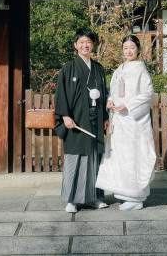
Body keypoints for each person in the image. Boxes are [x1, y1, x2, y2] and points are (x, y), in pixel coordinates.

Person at [95, 35, 157, 210]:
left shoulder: (140, 70)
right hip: (119, 121)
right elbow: (112, 91)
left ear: (138, 49)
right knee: (121, 157)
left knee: (134, 156)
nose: (128, 51)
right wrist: (109, 100)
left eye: (132, 47)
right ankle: (125, 194)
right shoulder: (120, 68)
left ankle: (136, 197)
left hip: (133, 121)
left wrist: (127, 105)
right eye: (125, 48)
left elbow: (147, 94)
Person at [54, 28, 110, 213]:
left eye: (89, 42)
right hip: (76, 120)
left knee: (94, 158)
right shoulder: (68, 68)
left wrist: (106, 118)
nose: (85, 45)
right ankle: (71, 199)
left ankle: (93, 197)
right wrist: (65, 116)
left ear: (93, 45)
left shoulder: (99, 68)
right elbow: (61, 94)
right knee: (75, 158)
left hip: (95, 118)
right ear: (75, 45)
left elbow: (103, 95)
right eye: (82, 42)